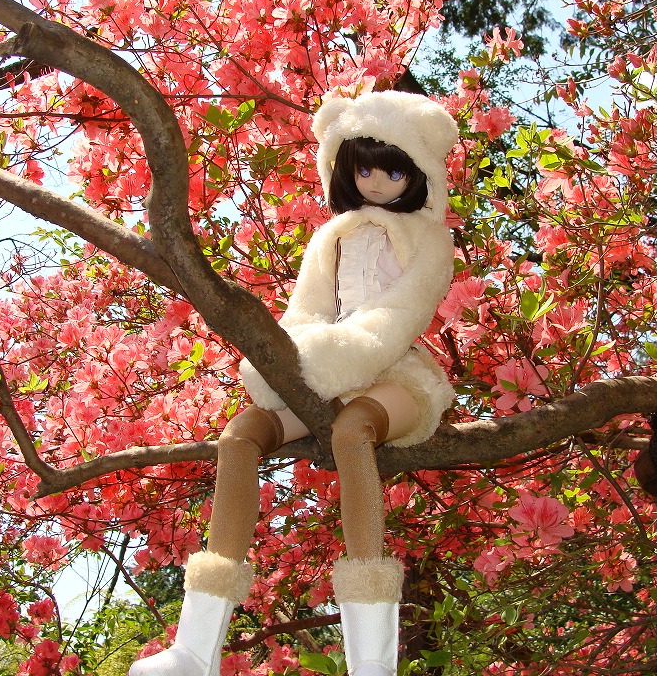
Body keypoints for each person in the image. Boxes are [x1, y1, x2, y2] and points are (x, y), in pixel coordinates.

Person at [129, 90, 459, 676]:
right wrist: (286, 364)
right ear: (343, 169)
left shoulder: (430, 238)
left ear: (419, 173)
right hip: (327, 375)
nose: (376, 182)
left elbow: (402, 314)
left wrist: (338, 360)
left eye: (393, 171)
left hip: (396, 376)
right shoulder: (331, 236)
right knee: (241, 435)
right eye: (363, 169)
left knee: (352, 433)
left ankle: (372, 665)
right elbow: (305, 311)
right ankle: (195, 649)